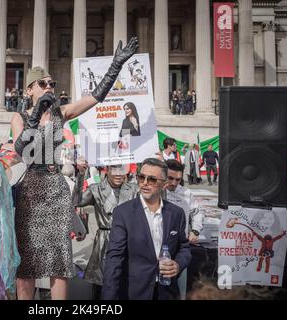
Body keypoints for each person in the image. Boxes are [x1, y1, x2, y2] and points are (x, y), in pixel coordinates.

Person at [11, 37, 139, 300]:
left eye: (52, 84)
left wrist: (116, 65)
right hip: (31, 190)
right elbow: (22, 149)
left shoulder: (62, 113)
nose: (49, 87)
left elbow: (96, 97)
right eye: (43, 84)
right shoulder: (20, 117)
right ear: (29, 90)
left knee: (60, 259)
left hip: (56, 187)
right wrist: (37, 115)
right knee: (28, 260)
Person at [102, 158, 191, 300]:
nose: (144, 183)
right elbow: (114, 259)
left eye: (152, 179)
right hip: (135, 292)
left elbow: (184, 247)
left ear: (164, 183)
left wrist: (178, 264)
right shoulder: (123, 213)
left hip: (167, 292)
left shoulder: (176, 213)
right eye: (141, 177)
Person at [73, 162, 138, 300]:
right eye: (115, 169)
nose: (119, 174)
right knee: (103, 284)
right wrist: (81, 174)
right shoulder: (96, 189)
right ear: (107, 170)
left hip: (128, 241)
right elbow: (76, 201)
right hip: (104, 240)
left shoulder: (133, 189)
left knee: (126, 282)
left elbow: (155, 200)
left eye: (122, 169)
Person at [164, 159, 203, 299]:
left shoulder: (187, 193)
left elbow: (198, 212)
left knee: (179, 291)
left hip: (179, 247)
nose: (174, 183)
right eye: (170, 178)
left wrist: (195, 230)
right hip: (157, 247)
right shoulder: (156, 192)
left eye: (178, 180)